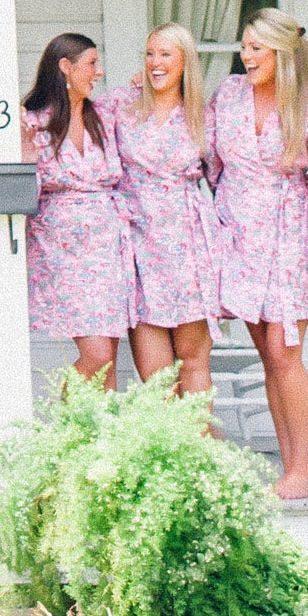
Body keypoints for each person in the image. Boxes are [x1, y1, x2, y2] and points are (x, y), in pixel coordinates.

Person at [209, 8, 308, 500]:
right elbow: (205, 159)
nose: (246, 57)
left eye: (256, 49)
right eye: (243, 47)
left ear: (281, 52)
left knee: (286, 354)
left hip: (290, 240)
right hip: (237, 237)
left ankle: (302, 470)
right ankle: (289, 467)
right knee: (269, 356)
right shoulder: (227, 95)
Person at [103, 23, 221, 398]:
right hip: (139, 247)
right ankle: (167, 454)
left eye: (165, 54)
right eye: (150, 54)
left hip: (189, 247)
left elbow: (224, 181)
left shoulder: (204, 116)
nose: (155, 62)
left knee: (193, 362)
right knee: (156, 377)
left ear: (185, 62)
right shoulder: (123, 106)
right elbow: (72, 112)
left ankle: (200, 454)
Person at [21, 30, 135, 386]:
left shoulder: (103, 114)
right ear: (66, 67)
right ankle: (66, 427)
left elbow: (146, 94)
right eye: (92, 64)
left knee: (109, 360)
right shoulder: (34, 121)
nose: (98, 72)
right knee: (97, 356)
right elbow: (25, 192)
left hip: (107, 248)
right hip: (62, 249)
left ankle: (99, 440)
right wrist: (25, 153)